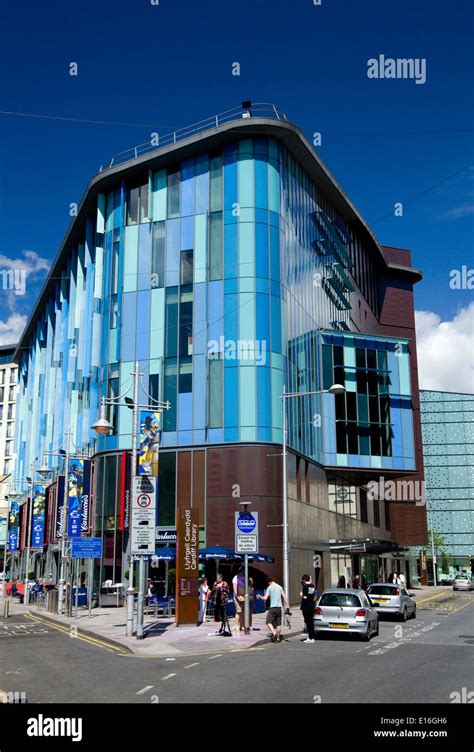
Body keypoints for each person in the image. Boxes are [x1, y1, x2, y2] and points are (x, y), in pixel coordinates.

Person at [257, 577, 289, 643]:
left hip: (273, 607)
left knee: (268, 621)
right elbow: (284, 597)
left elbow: (265, 598)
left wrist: (260, 597)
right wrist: (287, 606)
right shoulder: (280, 587)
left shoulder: (269, 588)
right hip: (279, 607)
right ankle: (278, 638)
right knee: (278, 624)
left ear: (269, 582)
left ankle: (274, 633)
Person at [300, 574, 317, 644]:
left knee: (308, 622)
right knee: (311, 622)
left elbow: (305, 597)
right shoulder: (312, 586)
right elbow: (313, 596)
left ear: (304, 580)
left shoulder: (305, 587)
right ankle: (312, 637)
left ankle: (310, 638)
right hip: (311, 606)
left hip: (306, 606)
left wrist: (301, 594)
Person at [232, 567, 246, 632]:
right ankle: (236, 625)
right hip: (238, 596)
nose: (244, 572)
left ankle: (242, 625)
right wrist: (237, 596)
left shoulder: (244, 578)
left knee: (242, 612)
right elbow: (235, 588)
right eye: (243, 571)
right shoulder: (235, 578)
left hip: (243, 596)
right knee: (239, 611)